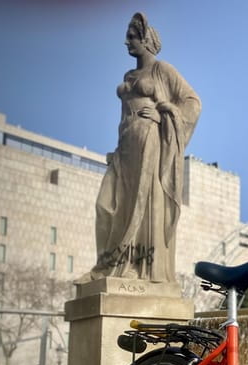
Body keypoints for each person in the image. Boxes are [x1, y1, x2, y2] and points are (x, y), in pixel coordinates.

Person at [80, 12, 201, 283]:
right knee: (106, 205)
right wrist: (117, 147)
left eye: (132, 37)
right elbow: (124, 115)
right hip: (126, 146)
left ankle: (141, 267)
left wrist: (166, 111)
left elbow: (193, 103)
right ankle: (108, 266)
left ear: (146, 40)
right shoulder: (129, 74)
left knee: (143, 205)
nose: (126, 42)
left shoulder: (163, 70)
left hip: (151, 143)